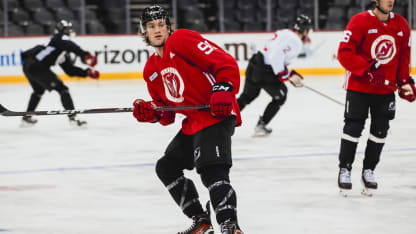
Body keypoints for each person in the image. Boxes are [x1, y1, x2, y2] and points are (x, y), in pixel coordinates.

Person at [132, 5, 244, 234]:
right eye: (151, 26)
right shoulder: (151, 69)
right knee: (166, 167)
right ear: (144, 31)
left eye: (161, 24)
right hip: (193, 122)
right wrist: (152, 113)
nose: (157, 30)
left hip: (215, 115)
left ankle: (229, 225)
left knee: (212, 170)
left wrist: (223, 88)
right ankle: (201, 221)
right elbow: (168, 114)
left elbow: (226, 63)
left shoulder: (182, 40)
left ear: (168, 27)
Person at [337, 0, 416, 196]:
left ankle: (368, 170)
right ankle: (345, 168)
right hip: (359, 87)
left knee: (380, 131)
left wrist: (405, 81)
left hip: (385, 90)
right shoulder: (359, 21)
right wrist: (367, 69)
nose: (391, 1)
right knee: (353, 127)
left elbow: (404, 56)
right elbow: (344, 53)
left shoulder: (401, 25)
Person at [236, 14, 312, 137]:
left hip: (255, 63)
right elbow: (276, 56)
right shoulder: (296, 42)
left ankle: (223, 122)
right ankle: (261, 125)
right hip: (265, 71)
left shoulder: (285, 32)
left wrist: (287, 73)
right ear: (305, 31)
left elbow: (274, 53)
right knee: (281, 96)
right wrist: (283, 74)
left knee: (248, 96)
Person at [20, 20, 100, 127]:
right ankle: (73, 118)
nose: (69, 32)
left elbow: (69, 70)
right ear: (61, 31)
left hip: (30, 66)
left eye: (70, 29)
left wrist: (86, 73)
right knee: (63, 89)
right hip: (36, 66)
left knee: (39, 91)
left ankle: (26, 117)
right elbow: (69, 44)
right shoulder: (59, 38)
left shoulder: (60, 49)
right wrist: (84, 55)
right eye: (67, 30)